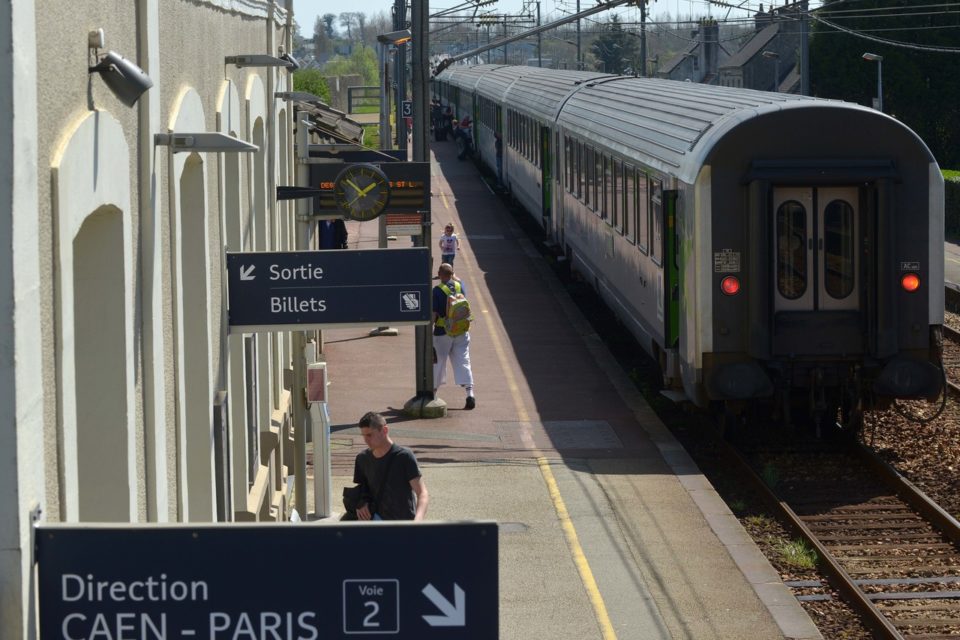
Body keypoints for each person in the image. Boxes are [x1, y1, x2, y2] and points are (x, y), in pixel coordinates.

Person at [352, 411, 428, 521]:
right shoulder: (362, 458)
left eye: (369, 435)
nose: (365, 440)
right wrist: (361, 504)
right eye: (363, 435)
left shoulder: (404, 456)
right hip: (373, 522)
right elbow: (362, 490)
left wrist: (417, 521)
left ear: (384, 430)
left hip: (402, 524)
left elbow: (422, 493)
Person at [433, 263, 475, 409]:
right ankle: (470, 394)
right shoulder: (460, 286)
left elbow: (434, 314)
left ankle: (433, 392)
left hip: (442, 332)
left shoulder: (437, 291)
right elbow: (457, 279)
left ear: (439, 274)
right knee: (464, 360)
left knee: (438, 362)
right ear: (452, 274)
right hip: (461, 330)